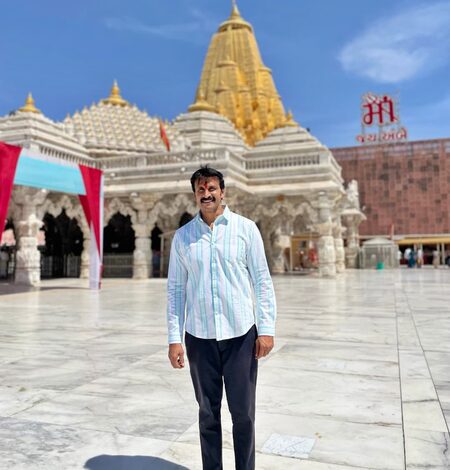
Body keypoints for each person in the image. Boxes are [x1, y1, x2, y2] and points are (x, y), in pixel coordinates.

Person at [166, 166, 276, 470]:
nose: (207, 194)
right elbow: (176, 289)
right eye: (201, 190)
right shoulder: (184, 237)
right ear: (194, 195)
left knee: (243, 414)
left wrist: (265, 329)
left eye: (212, 188)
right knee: (207, 413)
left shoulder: (245, 229)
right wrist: (175, 339)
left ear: (222, 192)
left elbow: (262, 281)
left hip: (240, 335)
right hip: (200, 338)